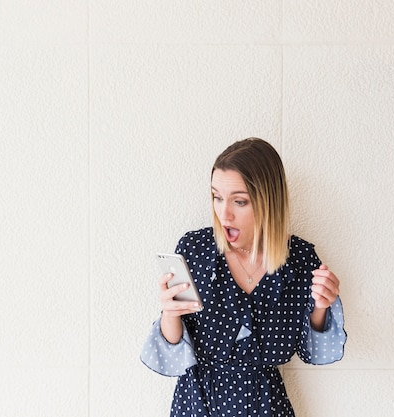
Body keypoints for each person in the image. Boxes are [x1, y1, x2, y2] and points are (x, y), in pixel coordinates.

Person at [141, 138, 346, 416]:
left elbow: (312, 352)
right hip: (199, 404)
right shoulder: (195, 251)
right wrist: (169, 313)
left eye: (239, 201)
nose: (224, 213)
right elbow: (173, 355)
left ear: (269, 201)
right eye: (217, 197)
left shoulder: (299, 260)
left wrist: (321, 306)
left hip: (266, 406)